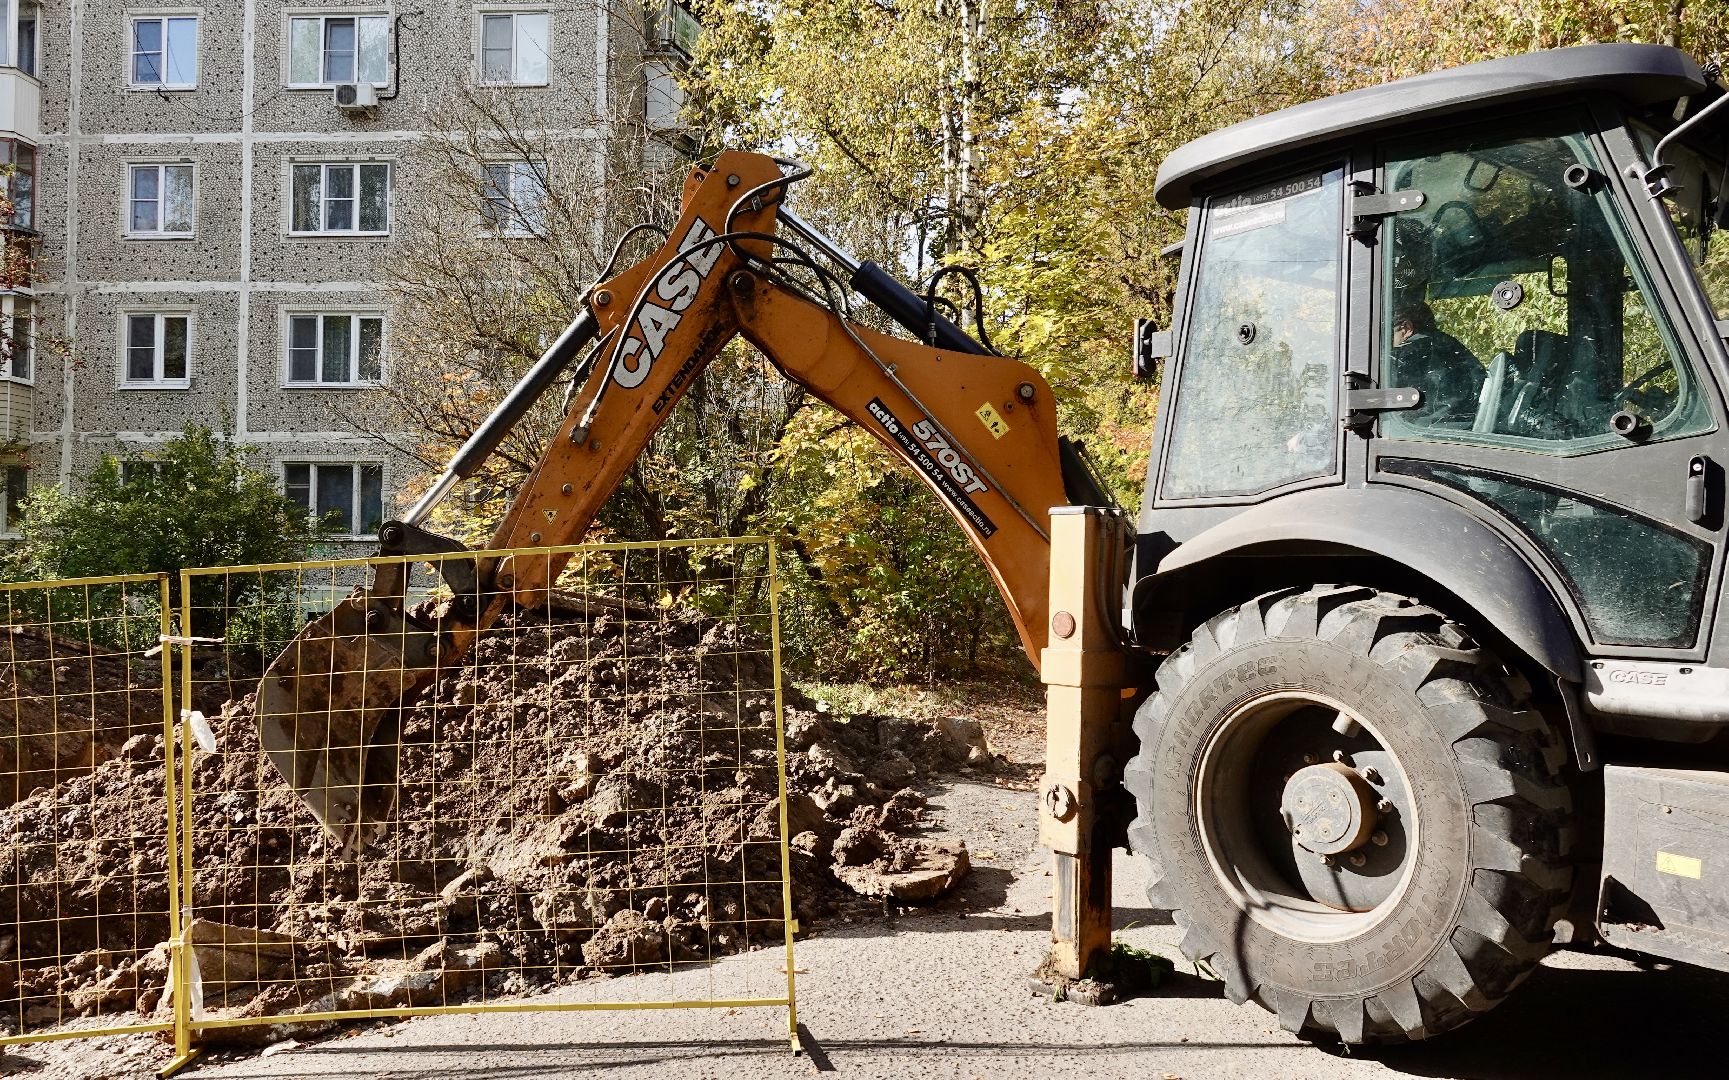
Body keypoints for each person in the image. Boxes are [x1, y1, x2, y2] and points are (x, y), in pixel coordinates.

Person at [1388, 301, 1483, 427]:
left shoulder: (1414, 352)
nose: (1389, 343)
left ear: (1407, 328)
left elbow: (1402, 406)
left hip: (1436, 428)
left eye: (1390, 334)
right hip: (1461, 423)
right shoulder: (1448, 345)